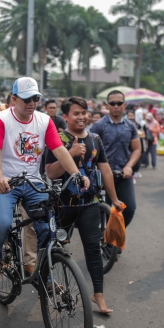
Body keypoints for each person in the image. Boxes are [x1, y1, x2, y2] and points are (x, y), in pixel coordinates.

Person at [0, 77, 88, 278]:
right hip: (6, 181)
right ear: (14, 99)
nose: (32, 103)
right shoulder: (1, 119)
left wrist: (77, 174)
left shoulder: (44, 120)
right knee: (2, 224)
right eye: (27, 99)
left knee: (47, 229)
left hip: (33, 182)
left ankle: (45, 276)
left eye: (35, 98)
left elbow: (59, 149)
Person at [46, 96, 123, 314]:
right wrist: (68, 155)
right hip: (62, 206)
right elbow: (50, 173)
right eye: (76, 113)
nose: (81, 117)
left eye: (84, 113)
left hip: (89, 203)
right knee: (54, 247)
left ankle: (98, 294)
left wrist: (114, 199)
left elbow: (105, 170)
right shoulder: (56, 139)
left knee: (93, 249)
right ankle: (48, 282)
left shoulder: (95, 139)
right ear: (66, 117)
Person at [90, 90, 141, 228]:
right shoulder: (98, 126)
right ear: (108, 105)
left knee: (129, 209)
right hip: (103, 176)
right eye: (113, 103)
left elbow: (137, 149)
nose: (116, 106)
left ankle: (114, 236)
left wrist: (129, 166)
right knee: (103, 211)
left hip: (124, 175)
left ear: (124, 105)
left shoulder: (130, 126)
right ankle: (105, 240)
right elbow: (91, 149)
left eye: (119, 103)